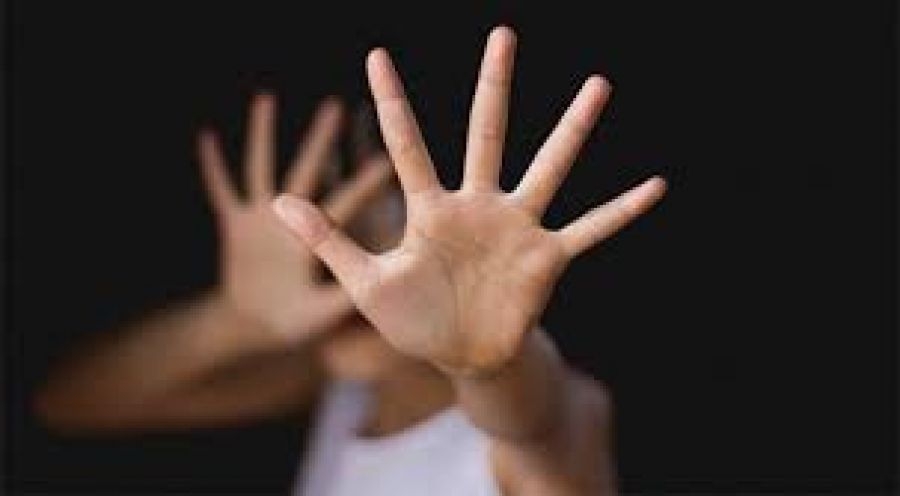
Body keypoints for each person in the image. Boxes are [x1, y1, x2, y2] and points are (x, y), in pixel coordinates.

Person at [35, 26, 666, 495]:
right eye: (330, 196)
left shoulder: (553, 428)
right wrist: (233, 322)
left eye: (383, 198)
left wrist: (486, 367)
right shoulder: (344, 392)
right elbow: (68, 405)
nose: (338, 239)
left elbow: (537, 423)